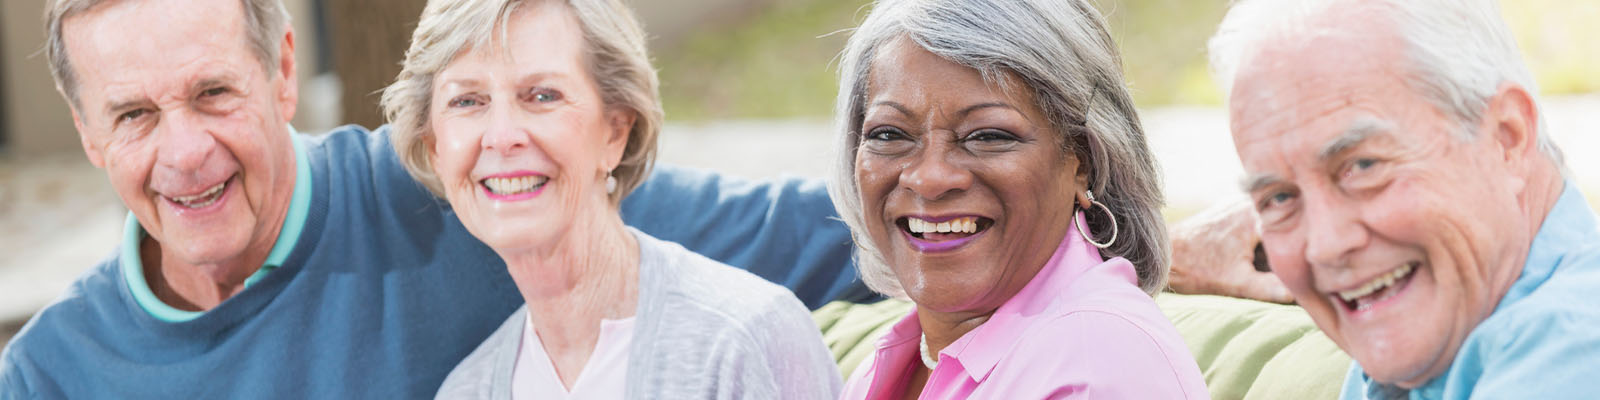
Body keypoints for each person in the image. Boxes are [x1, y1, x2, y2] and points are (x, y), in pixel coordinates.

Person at [0, 0, 858, 397]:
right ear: (86, 132)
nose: (185, 152)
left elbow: (811, 234)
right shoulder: (51, 376)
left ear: (284, 72)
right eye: (136, 115)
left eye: (214, 94)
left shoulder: (466, 190)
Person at [379, 0, 840, 398]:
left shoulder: (746, 339)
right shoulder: (468, 391)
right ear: (435, 147)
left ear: (615, 132)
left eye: (542, 95)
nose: (501, 137)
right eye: (467, 102)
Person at [1209, 0, 1600, 397]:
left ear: (1507, 138)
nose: (1326, 246)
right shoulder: (1454, 329)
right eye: (1278, 198)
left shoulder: (1573, 353)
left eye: (1362, 166)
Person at [828, 0, 1209, 398]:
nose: (929, 178)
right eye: (889, 134)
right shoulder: (900, 356)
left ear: (1084, 161)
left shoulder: (1097, 367)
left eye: (988, 136)